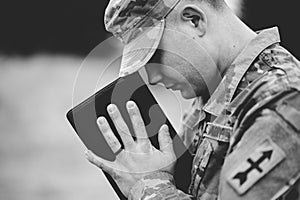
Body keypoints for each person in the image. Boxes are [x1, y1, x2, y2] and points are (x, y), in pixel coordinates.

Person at [85, 0, 300, 199]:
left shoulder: (283, 101)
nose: (152, 77)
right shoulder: (214, 91)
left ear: (193, 20)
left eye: (155, 57)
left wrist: (148, 186)